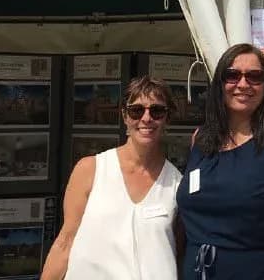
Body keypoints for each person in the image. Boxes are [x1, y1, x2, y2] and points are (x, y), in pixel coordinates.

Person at [176, 43, 264, 280]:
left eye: (254, 76)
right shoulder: (200, 139)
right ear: (219, 83)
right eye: (232, 75)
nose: (243, 84)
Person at [40, 76, 182, 280]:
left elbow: (179, 252)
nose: (146, 118)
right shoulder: (91, 169)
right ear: (124, 116)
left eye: (157, 111)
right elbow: (65, 242)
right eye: (136, 110)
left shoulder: (177, 183)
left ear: (167, 118)